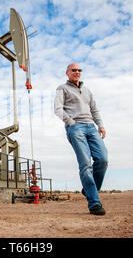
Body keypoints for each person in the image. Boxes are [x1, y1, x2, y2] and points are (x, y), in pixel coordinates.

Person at [54, 63, 108, 215]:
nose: (77, 72)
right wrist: (71, 122)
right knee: (85, 164)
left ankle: (89, 190)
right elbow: (57, 109)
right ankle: (94, 203)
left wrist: (101, 126)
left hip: (91, 127)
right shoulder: (62, 89)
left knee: (103, 159)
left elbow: (94, 109)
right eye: (74, 70)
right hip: (76, 127)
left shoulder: (87, 90)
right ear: (67, 73)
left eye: (79, 70)